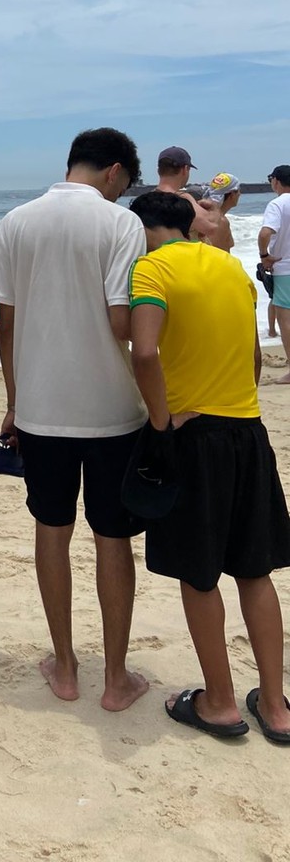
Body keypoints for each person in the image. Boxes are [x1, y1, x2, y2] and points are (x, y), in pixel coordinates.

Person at [0, 128, 150, 712]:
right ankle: (117, 676)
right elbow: (120, 320)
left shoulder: (16, 221)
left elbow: (6, 324)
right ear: (113, 171)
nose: (124, 191)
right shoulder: (119, 223)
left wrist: (13, 398)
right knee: (112, 538)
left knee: (51, 531)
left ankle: (67, 665)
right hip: (111, 408)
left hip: (41, 409)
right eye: (126, 181)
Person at [128, 190, 290, 741]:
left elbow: (144, 352)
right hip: (248, 430)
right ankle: (276, 706)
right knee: (254, 570)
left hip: (194, 437)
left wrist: (160, 420)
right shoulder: (230, 266)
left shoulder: (151, 269)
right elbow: (252, 354)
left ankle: (219, 702)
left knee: (199, 575)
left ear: (143, 227)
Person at [259, 165, 290, 386]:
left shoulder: (277, 203)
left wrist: (264, 256)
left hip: (285, 268)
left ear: (277, 181)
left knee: (285, 320)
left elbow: (265, 232)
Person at [155, 146, 216, 240]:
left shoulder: (144, 201)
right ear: (185, 169)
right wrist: (213, 208)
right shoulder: (184, 199)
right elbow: (211, 227)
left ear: (158, 170)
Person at [203, 173, 240, 253]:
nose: (240, 194)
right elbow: (220, 255)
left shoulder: (203, 213)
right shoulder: (219, 221)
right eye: (238, 191)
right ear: (232, 194)